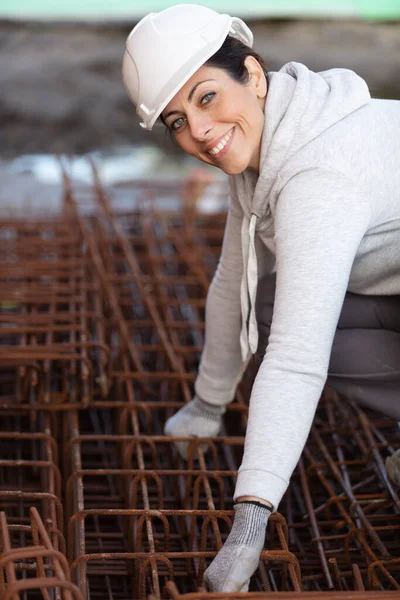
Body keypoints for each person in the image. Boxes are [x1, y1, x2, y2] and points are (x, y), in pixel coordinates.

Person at [122, 4, 400, 592]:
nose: (197, 132)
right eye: (175, 121)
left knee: (297, 332)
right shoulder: (271, 145)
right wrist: (208, 403)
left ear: (252, 73)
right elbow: (235, 280)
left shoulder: (317, 176)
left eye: (205, 98)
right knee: (270, 305)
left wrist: (250, 520)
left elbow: (300, 357)